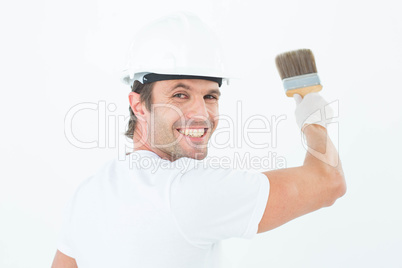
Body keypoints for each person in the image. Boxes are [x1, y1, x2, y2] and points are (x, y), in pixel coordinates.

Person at [52, 12, 346, 268]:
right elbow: (329, 182)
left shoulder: (88, 194)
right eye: (180, 95)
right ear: (138, 105)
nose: (201, 113)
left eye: (210, 96)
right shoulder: (186, 190)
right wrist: (314, 118)